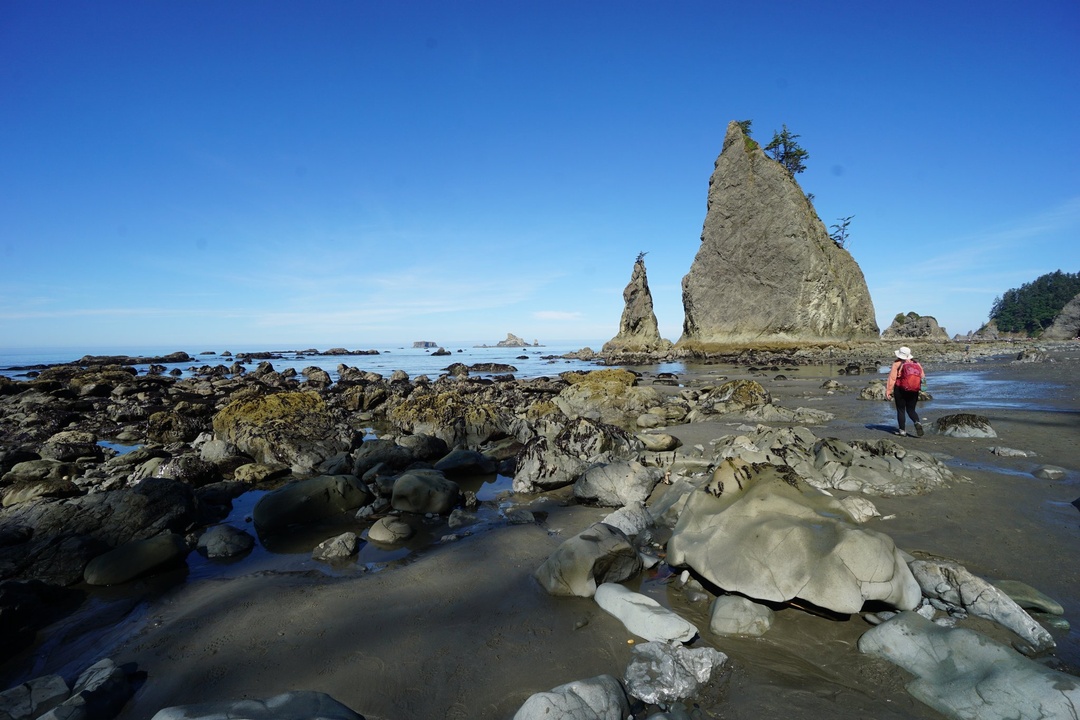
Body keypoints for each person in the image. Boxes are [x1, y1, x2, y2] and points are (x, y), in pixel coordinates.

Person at [885, 346, 925, 436]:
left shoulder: (897, 363)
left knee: (901, 410)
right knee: (911, 410)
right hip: (914, 390)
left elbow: (892, 378)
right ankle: (917, 422)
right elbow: (922, 376)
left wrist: (888, 391)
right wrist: (922, 388)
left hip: (900, 389)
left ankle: (902, 431)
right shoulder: (916, 363)